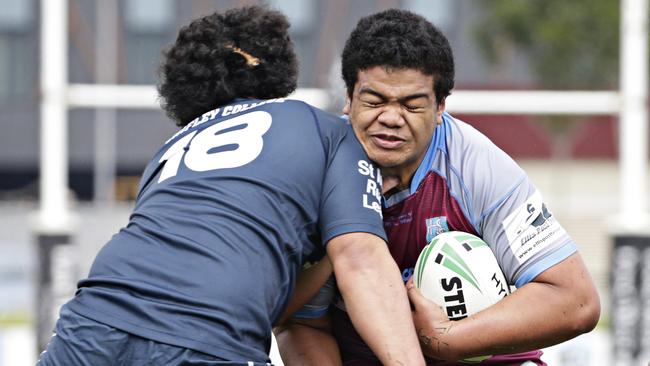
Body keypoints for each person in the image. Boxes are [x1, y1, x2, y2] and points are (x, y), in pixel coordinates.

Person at [37, 6, 425, 366]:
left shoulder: (172, 149)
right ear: (278, 69)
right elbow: (361, 257)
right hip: (207, 335)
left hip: (91, 322)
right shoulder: (326, 131)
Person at [275, 8, 601, 365]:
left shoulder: (477, 166)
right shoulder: (311, 173)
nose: (390, 118)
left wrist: (450, 339)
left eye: (412, 105)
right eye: (374, 100)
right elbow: (298, 323)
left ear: (441, 106)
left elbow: (576, 300)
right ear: (349, 99)